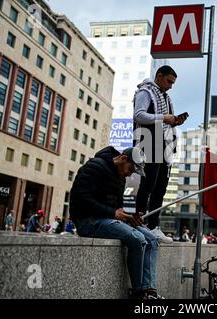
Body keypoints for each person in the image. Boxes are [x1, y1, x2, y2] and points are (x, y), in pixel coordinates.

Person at [69, 146, 163, 299]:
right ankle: (139, 294)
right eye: (131, 169)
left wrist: (131, 216)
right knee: (138, 239)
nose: (130, 173)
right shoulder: (94, 166)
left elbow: (117, 207)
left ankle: (150, 290)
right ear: (123, 158)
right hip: (88, 221)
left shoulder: (120, 176)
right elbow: (81, 199)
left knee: (152, 239)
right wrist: (113, 213)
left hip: (107, 219)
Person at [133, 65, 187, 244]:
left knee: (161, 186)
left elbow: (163, 121)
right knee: (148, 183)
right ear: (159, 76)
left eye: (173, 83)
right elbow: (138, 115)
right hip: (148, 140)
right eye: (169, 81)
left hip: (163, 143)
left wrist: (173, 122)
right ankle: (139, 223)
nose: (171, 86)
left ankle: (153, 226)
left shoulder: (166, 96)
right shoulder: (145, 92)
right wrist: (164, 118)